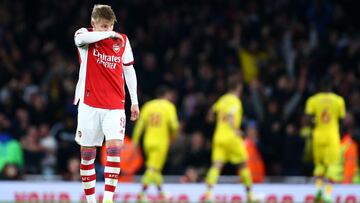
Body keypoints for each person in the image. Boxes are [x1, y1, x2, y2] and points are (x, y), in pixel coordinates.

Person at [73, 4, 139, 203]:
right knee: (87, 155)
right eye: (103, 26)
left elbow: (129, 70)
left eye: (110, 26)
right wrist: (105, 34)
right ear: (93, 24)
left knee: (113, 149)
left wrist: (134, 101)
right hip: (88, 104)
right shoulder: (85, 36)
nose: (108, 30)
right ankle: (92, 201)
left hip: (114, 105)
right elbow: (80, 39)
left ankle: (108, 199)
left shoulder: (123, 41)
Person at [203, 76, 253, 202]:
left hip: (219, 136)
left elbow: (210, 115)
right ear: (239, 87)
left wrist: (214, 121)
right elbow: (231, 115)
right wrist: (236, 130)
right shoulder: (235, 100)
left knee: (216, 166)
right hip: (231, 137)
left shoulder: (222, 99)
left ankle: (208, 194)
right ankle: (250, 196)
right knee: (243, 165)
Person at [132, 86, 179, 202]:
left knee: (155, 169)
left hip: (148, 142)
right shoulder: (169, 106)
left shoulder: (148, 106)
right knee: (153, 169)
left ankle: (162, 193)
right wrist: (173, 137)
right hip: (160, 142)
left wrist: (135, 141)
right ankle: (141, 194)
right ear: (166, 95)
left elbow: (140, 126)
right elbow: (174, 125)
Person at [305, 78, 346, 203]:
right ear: (331, 87)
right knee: (332, 167)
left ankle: (318, 192)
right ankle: (328, 195)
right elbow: (342, 118)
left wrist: (314, 124)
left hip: (318, 136)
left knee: (319, 167)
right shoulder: (339, 100)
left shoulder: (313, 100)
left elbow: (308, 118)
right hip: (332, 136)